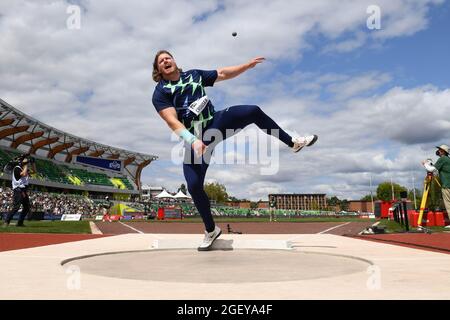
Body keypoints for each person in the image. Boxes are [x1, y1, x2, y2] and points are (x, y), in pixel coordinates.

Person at [152, 50, 318, 250]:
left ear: (174, 60)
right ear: (159, 70)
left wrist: (246, 66)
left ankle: (292, 142)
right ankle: (211, 230)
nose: (165, 61)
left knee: (252, 111)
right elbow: (171, 120)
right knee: (194, 185)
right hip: (195, 137)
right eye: (161, 61)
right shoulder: (161, 92)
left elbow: (222, 73)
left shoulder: (193, 75)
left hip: (215, 122)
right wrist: (192, 140)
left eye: (167, 57)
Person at [3, 155, 36, 227]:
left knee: (26, 207)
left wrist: (33, 163)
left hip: (23, 190)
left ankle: (20, 223)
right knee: (16, 207)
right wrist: (26, 164)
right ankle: (6, 221)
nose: (27, 162)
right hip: (18, 189)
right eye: (25, 161)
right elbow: (23, 174)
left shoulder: (23, 168)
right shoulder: (17, 168)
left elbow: (34, 172)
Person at [422, 144, 450, 227]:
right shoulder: (447, 159)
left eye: (440, 150)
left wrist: (425, 164)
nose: (438, 151)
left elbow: (431, 169)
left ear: (443, 151)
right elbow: (436, 167)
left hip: (447, 185)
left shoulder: (443, 159)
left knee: (448, 205)